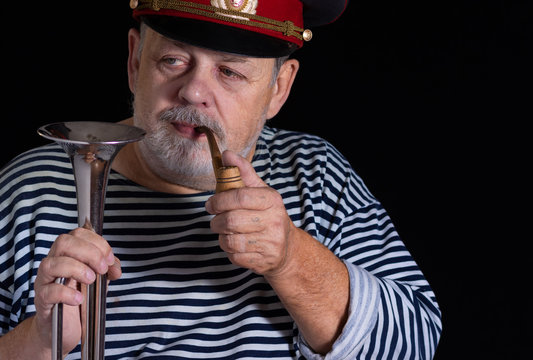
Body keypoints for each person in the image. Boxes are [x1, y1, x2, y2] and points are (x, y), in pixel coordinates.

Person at [0, 0, 441, 359]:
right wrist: (40, 341)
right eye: (173, 60)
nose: (193, 92)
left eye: (229, 72)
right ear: (136, 61)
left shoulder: (317, 174)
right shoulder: (27, 191)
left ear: (278, 88)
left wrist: (290, 259)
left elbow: (417, 342)